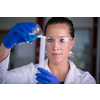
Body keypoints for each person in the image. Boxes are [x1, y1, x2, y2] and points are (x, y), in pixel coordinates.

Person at [0, 17, 96, 84]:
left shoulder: (85, 80)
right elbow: (2, 81)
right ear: (45, 42)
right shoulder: (30, 72)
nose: (55, 46)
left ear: (71, 43)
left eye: (62, 40)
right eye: (50, 40)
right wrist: (6, 45)